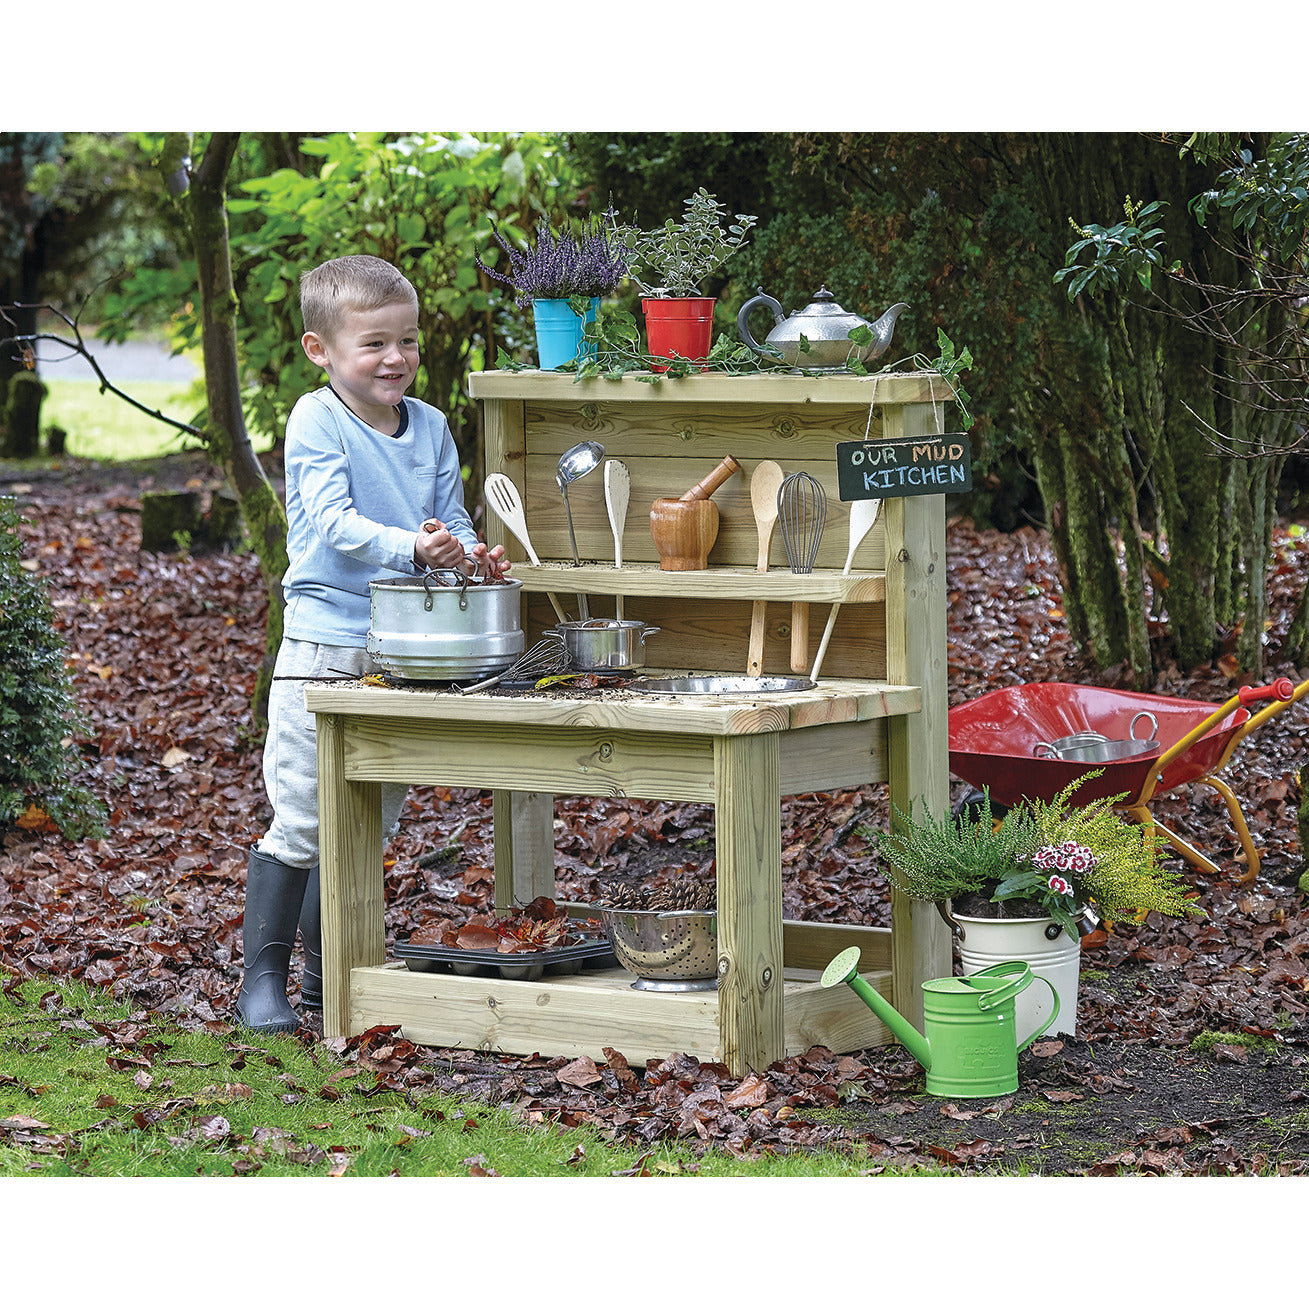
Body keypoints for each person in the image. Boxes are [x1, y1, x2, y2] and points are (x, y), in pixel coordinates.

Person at [236, 254, 507, 1032]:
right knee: (304, 815)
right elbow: (328, 522)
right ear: (320, 349)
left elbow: (448, 518)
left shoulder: (431, 426)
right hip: (324, 647)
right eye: (375, 344)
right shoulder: (316, 419)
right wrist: (410, 549)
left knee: (368, 822)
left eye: (409, 342)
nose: (396, 359)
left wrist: (467, 552)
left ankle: (330, 979)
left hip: (403, 652)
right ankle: (262, 988)